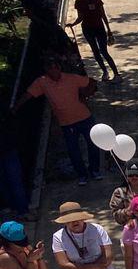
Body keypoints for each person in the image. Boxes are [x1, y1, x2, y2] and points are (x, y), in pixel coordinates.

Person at [17, 56, 102, 188]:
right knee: (73, 151)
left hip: (84, 117)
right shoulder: (42, 82)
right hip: (66, 123)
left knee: (93, 145)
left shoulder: (71, 78)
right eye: (50, 69)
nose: (54, 71)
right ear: (46, 70)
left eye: (55, 68)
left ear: (59, 68)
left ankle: (95, 170)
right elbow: (29, 94)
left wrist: (86, 94)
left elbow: (91, 81)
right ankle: (82, 174)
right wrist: (15, 107)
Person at [65, 0, 117, 80]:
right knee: (95, 51)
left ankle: (116, 73)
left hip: (99, 28)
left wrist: (108, 29)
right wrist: (73, 24)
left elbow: (103, 15)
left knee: (104, 51)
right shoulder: (79, 2)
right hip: (88, 29)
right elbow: (81, 17)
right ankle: (105, 72)